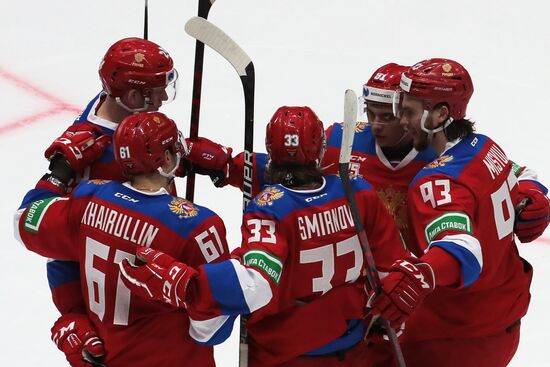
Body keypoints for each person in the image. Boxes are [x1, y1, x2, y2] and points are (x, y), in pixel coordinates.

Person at [119, 106, 409, 367]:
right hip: (352, 348)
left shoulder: (270, 207)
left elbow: (255, 284)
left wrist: (184, 282)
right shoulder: (357, 191)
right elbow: (391, 269)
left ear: (271, 150)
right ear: (320, 150)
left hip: (284, 354)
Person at [184, 63, 549, 248]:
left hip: (424, 284)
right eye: (370, 113)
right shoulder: (343, 140)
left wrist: (532, 194)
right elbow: (289, 172)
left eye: (387, 117)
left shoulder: (440, 151)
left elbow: (515, 172)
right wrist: (226, 164)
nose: (375, 124)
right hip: (361, 285)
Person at [14, 112, 228, 366]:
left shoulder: (88, 199)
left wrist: (61, 171)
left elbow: (23, 222)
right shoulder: (197, 226)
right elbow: (213, 330)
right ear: (168, 158)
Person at [367, 58, 541, 367]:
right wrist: (535, 196)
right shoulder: (487, 147)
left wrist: (421, 275)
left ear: (440, 114)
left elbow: (461, 248)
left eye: (409, 111)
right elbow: (528, 175)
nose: (402, 122)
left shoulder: (437, 182)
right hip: (503, 325)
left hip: (453, 338)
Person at [40, 37, 181, 365]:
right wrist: (72, 315)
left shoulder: (123, 112)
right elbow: (55, 242)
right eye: (155, 90)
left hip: (157, 288)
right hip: (122, 314)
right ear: (132, 96)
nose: (163, 97)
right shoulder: (95, 155)